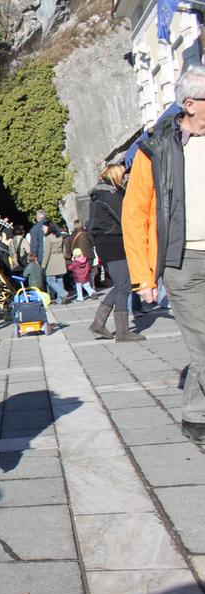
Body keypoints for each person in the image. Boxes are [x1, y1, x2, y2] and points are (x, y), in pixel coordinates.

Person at [122, 65, 205, 444]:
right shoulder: (154, 148)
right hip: (183, 262)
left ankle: (194, 413)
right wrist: (143, 276)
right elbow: (135, 214)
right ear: (189, 105)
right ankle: (196, 417)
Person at [87, 164, 144, 341]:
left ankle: (99, 323)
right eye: (123, 174)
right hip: (113, 243)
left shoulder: (101, 194)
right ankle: (122, 331)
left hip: (109, 243)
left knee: (122, 284)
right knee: (124, 286)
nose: (125, 177)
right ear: (115, 175)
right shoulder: (110, 195)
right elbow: (124, 217)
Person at [41, 223, 68, 304]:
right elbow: (64, 250)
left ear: (49, 228)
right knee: (60, 279)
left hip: (51, 260)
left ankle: (63, 293)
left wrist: (43, 265)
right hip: (60, 258)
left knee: (50, 280)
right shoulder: (60, 236)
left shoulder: (48, 238)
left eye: (44, 227)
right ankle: (60, 299)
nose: (42, 229)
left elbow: (47, 253)